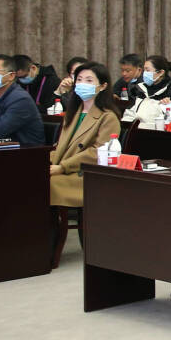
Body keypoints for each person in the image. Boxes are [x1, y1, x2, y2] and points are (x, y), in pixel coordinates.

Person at [46, 62, 124, 266]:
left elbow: (97, 152)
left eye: (89, 80)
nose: (82, 84)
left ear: (103, 86)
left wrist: (62, 167)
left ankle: (49, 249)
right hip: (63, 168)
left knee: (47, 185)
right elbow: (60, 146)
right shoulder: (74, 111)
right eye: (79, 80)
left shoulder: (108, 116)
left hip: (86, 174)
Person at [122, 55, 171, 126]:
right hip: (137, 130)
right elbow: (129, 114)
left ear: (161, 72)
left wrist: (168, 108)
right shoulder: (140, 90)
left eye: (148, 70)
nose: (144, 74)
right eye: (144, 70)